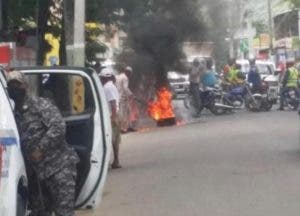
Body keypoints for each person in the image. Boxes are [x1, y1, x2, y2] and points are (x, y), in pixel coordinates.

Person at [6, 70, 79, 216]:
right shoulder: (11, 114)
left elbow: (58, 127)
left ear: (25, 86)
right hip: (36, 176)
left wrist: (41, 148)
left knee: (64, 212)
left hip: (58, 168)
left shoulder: (40, 105)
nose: (14, 88)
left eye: (17, 85)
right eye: (11, 85)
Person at [100, 68, 122, 169]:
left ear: (104, 77)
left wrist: (113, 118)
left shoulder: (108, 87)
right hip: (114, 114)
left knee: (110, 139)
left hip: (112, 115)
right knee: (114, 140)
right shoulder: (110, 86)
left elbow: (113, 103)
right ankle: (115, 161)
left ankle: (112, 161)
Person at [116, 66, 134, 133]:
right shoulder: (125, 78)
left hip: (119, 97)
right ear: (128, 72)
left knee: (127, 112)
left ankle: (128, 126)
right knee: (124, 113)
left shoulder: (119, 76)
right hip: (123, 98)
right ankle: (123, 129)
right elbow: (125, 88)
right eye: (130, 73)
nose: (130, 75)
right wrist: (131, 94)